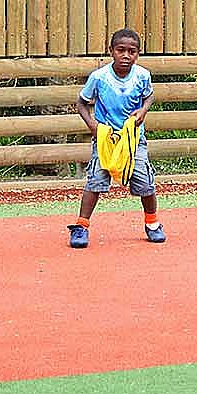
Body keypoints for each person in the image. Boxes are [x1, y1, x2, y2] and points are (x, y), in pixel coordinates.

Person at [68, 28, 162, 247]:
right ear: (111, 51)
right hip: (105, 139)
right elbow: (82, 102)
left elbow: (149, 96)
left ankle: (152, 223)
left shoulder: (142, 75)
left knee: (145, 182)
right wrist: (92, 125)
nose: (126, 56)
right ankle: (81, 226)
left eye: (132, 51)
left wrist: (143, 111)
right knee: (95, 180)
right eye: (121, 50)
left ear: (138, 53)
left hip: (133, 139)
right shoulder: (99, 77)